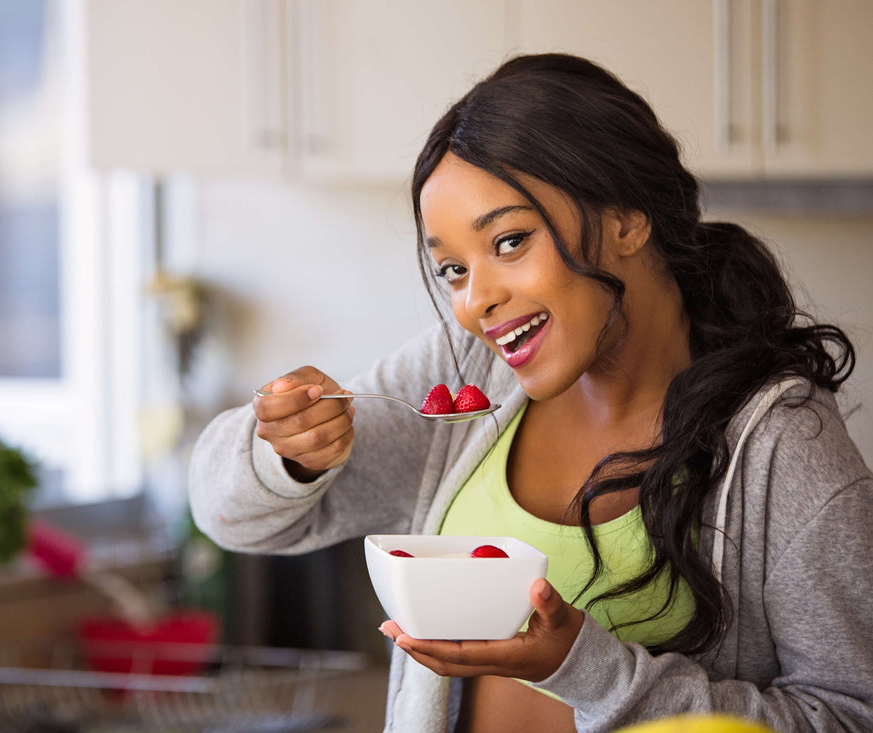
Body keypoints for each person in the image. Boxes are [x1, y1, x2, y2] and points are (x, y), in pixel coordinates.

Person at [187, 53, 873, 732]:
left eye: (510, 241)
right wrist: (288, 450)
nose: (474, 301)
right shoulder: (465, 381)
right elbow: (234, 517)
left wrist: (584, 666)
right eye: (453, 268)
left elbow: (850, 713)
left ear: (628, 220)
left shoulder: (782, 443)